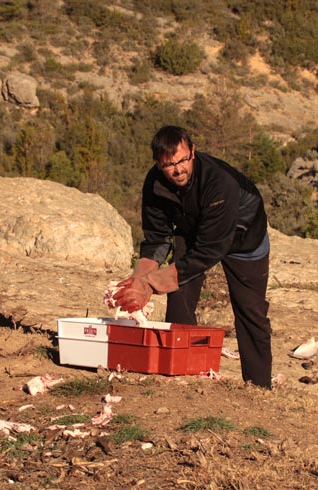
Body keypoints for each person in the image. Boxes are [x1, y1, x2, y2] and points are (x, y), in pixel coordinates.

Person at [113, 125, 273, 388]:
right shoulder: (154, 183)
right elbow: (156, 238)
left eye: (183, 160)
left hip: (245, 239)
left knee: (250, 311)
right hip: (194, 232)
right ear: (158, 164)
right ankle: (183, 371)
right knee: (180, 295)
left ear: (193, 152)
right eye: (169, 165)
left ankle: (258, 387)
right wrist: (138, 281)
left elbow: (210, 250)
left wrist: (152, 284)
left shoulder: (220, 183)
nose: (178, 170)